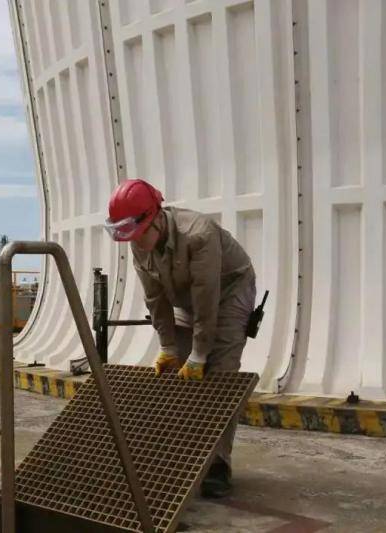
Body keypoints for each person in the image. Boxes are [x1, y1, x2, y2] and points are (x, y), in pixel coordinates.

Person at [104, 179, 256, 498]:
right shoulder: (137, 240)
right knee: (178, 372)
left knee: (220, 373)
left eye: (139, 234)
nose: (136, 242)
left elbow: (207, 300)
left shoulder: (199, 234)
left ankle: (218, 464)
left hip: (228, 291)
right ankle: (184, 456)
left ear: (156, 218)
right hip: (187, 298)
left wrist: (199, 354)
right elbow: (155, 299)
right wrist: (168, 347)